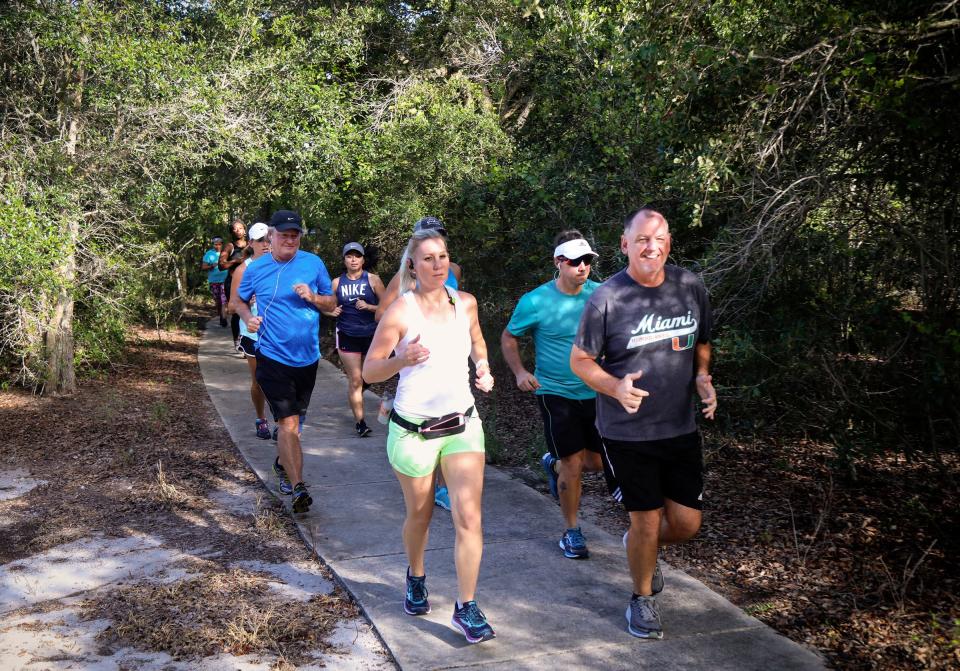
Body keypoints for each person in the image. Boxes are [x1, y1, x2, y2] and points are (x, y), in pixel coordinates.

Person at [570, 207, 717, 640]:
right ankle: (642, 596)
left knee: (687, 524)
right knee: (647, 520)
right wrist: (615, 387)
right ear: (625, 244)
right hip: (626, 432)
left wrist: (702, 377)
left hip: (680, 427)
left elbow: (703, 341)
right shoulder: (607, 298)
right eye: (641, 240)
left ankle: (639, 548)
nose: (650, 247)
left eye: (658, 239)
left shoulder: (690, 287)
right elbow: (580, 361)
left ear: (669, 242)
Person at [362, 227, 496, 644]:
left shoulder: (466, 303)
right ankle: (416, 575)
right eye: (428, 259)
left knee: (469, 517)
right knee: (420, 515)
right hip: (413, 431)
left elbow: (477, 343)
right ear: (412, 266)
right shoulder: (401, 312)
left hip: (462, 426)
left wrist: (484, 368)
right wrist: (400, 358)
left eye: (442, 256)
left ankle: (467, 606)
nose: (437, 265)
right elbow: (370, 371)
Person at [501, 231, 604, 560]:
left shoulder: (601, 295)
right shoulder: (535, 301)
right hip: (554, 392)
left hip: (597, 390)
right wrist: (520, 372)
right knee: (573, 465)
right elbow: (508, 337)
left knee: (598, 463)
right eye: (575, 261)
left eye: (587, 260)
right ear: (559, 262)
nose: (583, 267)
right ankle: (572, 531)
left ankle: (553, 461)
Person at [232, 210, 337, 513]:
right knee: (288, 424)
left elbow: (331, 302)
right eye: (284, 235)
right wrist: (249, 318)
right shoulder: (255, 269)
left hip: (307, 358)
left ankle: (282, 464)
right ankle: (299, 487)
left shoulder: (312, 263)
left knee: (295, 427)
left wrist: (313, 298)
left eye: (295, 235)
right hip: (272, 357)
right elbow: (237, 301)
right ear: (271, 238)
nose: (290, 239)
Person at [375, 216, 462, 511]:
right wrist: (402, 332)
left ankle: (442, 487)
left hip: (448, 363)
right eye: (426, 235)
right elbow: (381, 316)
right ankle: (428, 481)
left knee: (451, 418)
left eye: (438, 236)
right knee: (423, 420)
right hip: (412, 358)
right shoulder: (401, 279)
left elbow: (459, 309)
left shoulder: (455, 271)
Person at [323, 242, 385, 437]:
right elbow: (326, 305)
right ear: (344, 260)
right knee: (356, 380)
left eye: (357, 256)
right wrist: (331, 311)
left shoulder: (373, 280)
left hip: (371, 334)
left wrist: (369, 307)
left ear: (363, 259)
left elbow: (388, 307)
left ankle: (355, 392)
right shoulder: (336, 283)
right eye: (349, 256)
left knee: (372, 376)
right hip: (347, 334)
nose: (353, 259)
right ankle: (361, 423)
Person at [228, 222, 273, 440]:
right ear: (252, 243)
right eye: (261, 241)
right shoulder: (243, 269)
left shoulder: (279, 266)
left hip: (277, 332)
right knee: (259, 380)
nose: (266, 245)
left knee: (278, 378)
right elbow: (231, 306)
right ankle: (261, 418)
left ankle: (281, 420)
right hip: (253, 333)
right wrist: (247, 300)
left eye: (269, 240)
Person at [220, 218, 249, 349]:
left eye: (240, 228)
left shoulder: (252, 245)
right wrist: (236, 261)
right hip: (232, 282)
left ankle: (248, 341)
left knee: (250, 311)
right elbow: (221, 265)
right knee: (237, 312)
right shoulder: (230, 246)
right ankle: (237, 341)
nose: (238, 231)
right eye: (234, 229)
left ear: (245, 230)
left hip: (250, 282)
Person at [202, 236, 229, 327]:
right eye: (215, 244)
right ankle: (221, 315)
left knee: (224, 300)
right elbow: (203, 267)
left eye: (219, 244)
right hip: (214, 281)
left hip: (225, 280)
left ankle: (224, 319)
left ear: (222, 244)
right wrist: (212, 266)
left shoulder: (226, 253)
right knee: (218, 301)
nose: (217, 246)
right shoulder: (209, 254)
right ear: (213, 245)